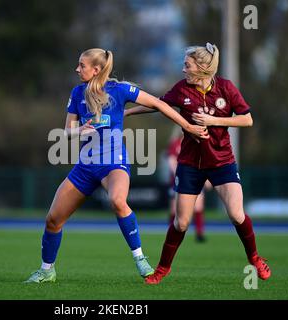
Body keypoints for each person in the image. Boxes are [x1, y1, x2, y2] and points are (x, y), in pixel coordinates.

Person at [25, 48, 209, 283]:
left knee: (117, 201)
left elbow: (159, 104)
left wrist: (189, 127)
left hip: (114, 162)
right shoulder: (77, 92)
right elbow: (66, 132)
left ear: (97, 69)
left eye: (82, 65)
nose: (77, 69)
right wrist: (78, 130)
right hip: (86, 165)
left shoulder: (119, 90)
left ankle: (140, 258)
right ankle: (47, 270)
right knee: (53, 219)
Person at [124, 43, 271, 284]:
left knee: (236, 214)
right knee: (181, 222)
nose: (183, 70)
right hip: (190, 164)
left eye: (187, 65)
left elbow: (247, 120)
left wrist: (213, 120)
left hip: (222, 161)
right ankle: (162, 269)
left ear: (202, 68)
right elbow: (157, 104)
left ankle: (254, 258)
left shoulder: (226, 88)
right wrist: (127, 112)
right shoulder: (182, 89)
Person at [166, 127, 211, 242]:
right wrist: (181, 175)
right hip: (177, 180)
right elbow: (171, 162)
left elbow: (205, 161)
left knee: (198, 206)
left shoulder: (198, 143)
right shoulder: (175, 144)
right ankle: (171, 234)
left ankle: (199, 233)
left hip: (195, 179)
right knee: (173, 210)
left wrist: (207, 179)